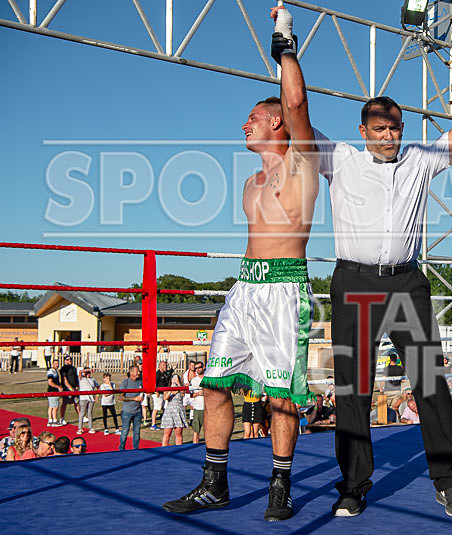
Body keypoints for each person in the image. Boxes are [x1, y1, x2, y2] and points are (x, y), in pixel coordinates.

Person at [312, 10, 452, 521]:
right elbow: (295, 113)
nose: (388, 136)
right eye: (379, 128)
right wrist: (286, 47)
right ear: (363, 130)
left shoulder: (420, 159)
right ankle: (352, 486)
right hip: (353, 280)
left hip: (406, 281)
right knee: (353, 389)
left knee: (429, 383)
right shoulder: (338, 157)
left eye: (394, 128)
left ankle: (450, 482)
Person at [163, 8, 320, 522]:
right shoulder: (251, 183)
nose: (244, 124)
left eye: (252, 116)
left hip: (284, 291)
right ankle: (215, 484)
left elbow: (296, 102)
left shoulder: (302, 163)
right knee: (213, 384)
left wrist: (285, 43)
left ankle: (280, 486)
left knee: (281, 397)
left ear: (275, 122)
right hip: (245, 289)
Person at [119, 364, 144, 451]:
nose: (138, 373)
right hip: (127, 411)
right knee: (125, 431)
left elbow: (143, 392)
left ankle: (136, 449)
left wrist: (142, 397)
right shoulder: (125, 383)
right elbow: (121, 397)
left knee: (137, 432)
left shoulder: (140, 382)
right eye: (137, 371)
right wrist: (133, 398)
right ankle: (121, 449)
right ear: (131, 373)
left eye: (139, 371)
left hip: (138, 411)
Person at [161, 375, 188, 446]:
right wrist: (171, 389)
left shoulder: (181, 389)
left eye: (176, 378)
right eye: (173, 378)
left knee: (178, 433)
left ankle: (179, 448)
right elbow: (165, 398)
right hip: (169, 411)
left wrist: (178, 385)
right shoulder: (167, 389)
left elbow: (183, 393)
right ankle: (164, 449)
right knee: (167, 433)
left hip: (178, 411)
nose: (174, 380)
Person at [58, 355, 80, 425]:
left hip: (74, 388)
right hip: (66, 389)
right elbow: (65, 380)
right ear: (65, 360)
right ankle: (62, 418)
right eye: (67, 359)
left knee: (76, 402)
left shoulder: (73, 368)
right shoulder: (63, 369)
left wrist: (77, 386)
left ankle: (80, 417)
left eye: (70, 359)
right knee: (65, 403)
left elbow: (76, 377)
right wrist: (70, 388)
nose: (69, 360)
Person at [152, 360, 173, 430]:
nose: (165, 367)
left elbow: (169, 373)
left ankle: (164, 421)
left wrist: (172, 368)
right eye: (163, 365)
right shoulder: (157, 374)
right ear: (160, 366)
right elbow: (153, 384)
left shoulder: (165, 373)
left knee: (165, 408)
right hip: (158, 394)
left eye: (166, 365)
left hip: (164, 393)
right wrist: (156, 392)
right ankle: (153, 424)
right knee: (156, 408)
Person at [77, 367, 99, 434]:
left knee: (90, 413)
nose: (88, 374)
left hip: (91, 398)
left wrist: (97, 396)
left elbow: (98, 387)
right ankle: (80, 428)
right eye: (87, 373)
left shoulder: (93, 379)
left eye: (89, 373)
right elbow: (80, 372)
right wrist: (88, 369)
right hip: (83, 398)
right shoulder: (82, 378)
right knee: (82, 413)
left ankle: (90, 427)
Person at [46, 357, 64, 426]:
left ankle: (51, 420)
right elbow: (50, 382)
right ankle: (54, 420)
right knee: (54, 406)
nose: (57, 365)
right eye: (55, 363)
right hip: (52, 391)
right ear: (52, 364)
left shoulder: (56, 371)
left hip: (54, 391)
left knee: (52, 406)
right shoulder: (51, 371)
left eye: (57, 363)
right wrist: (58, 387)